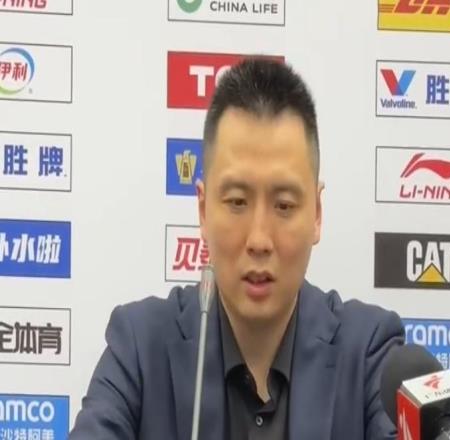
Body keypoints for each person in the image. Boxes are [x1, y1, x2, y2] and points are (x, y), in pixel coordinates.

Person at [70, 58, 404, 439]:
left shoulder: (370, 354)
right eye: (237, 202)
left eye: (284, 206)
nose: (259, 240)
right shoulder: (139, 348)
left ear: (316, 213)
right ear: (203, 210)